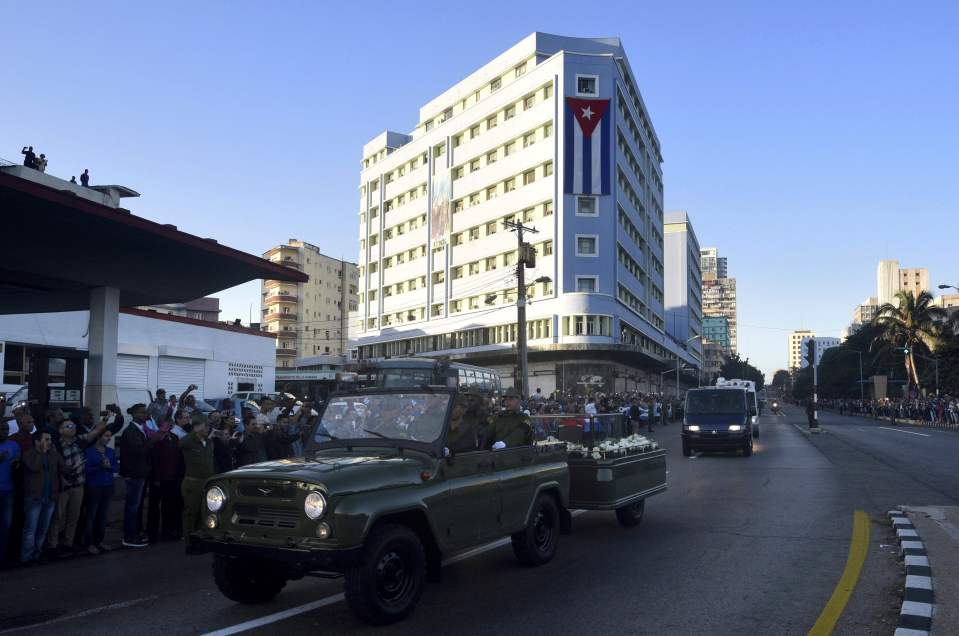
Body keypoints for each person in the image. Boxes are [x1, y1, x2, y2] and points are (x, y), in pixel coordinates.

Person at [47, 418, 104, 556]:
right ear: (60, 430)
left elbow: (95, 432)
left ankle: (68, 543)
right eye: (68, 426)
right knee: (58, 517)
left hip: (78, 485)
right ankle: (52, 545)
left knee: (74, 516)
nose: (72, 428)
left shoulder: (79, 440)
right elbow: (54, 467)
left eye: (73, 425)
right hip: (63, 486)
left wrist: (106, 419)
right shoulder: (56, 445)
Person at [21, 431, 63, 564]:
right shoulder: (29, 454)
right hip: (34, 498)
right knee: (30, 530)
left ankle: (37, 554)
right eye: (46, 439)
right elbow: (34, 467)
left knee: (42, 529)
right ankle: (26, 557)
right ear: (37, 442)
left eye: (50, 439)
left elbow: (65, 468)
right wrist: (41, 452)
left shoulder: (53, 454)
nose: (49, 442)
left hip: (49, 497)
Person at [117, 404, 152, 548]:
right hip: (134, 474)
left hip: (139, 473)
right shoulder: (131, 431)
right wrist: (152, 441)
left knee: (135, 506)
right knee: (132, 506)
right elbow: (138, 451)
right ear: (135, 414)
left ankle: (134, 533)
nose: (146, 415)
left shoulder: (139, 430)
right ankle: (129, 536)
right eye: (143, 412)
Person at [147, 417, 183, 543]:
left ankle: (167, 530)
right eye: (165, 424)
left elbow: (178, 458)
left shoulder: (174, 438)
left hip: (172, 477)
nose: (168, 426)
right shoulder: (156, 438)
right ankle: (152, 533)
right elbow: (154, 458)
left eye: (169, 424)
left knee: (169, 505)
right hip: (158, 477)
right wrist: (156, 477)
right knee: (154, 506)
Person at [83, 427, 117, 554]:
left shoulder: (110, 451)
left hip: (108, 485)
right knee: (91, 515)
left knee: (103, 515)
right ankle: (89, 542)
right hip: (94, 486)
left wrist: (109, 467)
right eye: (106, 436)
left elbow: (115, 467)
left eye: (109, 436)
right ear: (98, 437)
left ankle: (99, 540)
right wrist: (99, 466)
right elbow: (86, 470)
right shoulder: (89, 452)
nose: (108, 439)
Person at [180, 417, 214, 540]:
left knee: (203, 512)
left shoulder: (209, 442)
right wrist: (195, 432)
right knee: (191, 512)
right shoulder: (190, 441)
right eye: (205, 426)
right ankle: (189, 539)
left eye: (208, 426)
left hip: (207, 482)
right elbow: (181, 443)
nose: (207, 429)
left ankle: (199, 538)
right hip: (193, 482)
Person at [0, 420, 20, 567]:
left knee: (6, 525)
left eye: (6, 429)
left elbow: (18, 463)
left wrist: (17, 464)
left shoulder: (14, 445)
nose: (4, 431)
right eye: (1, 429)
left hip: (9, 490)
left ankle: (3, 556)